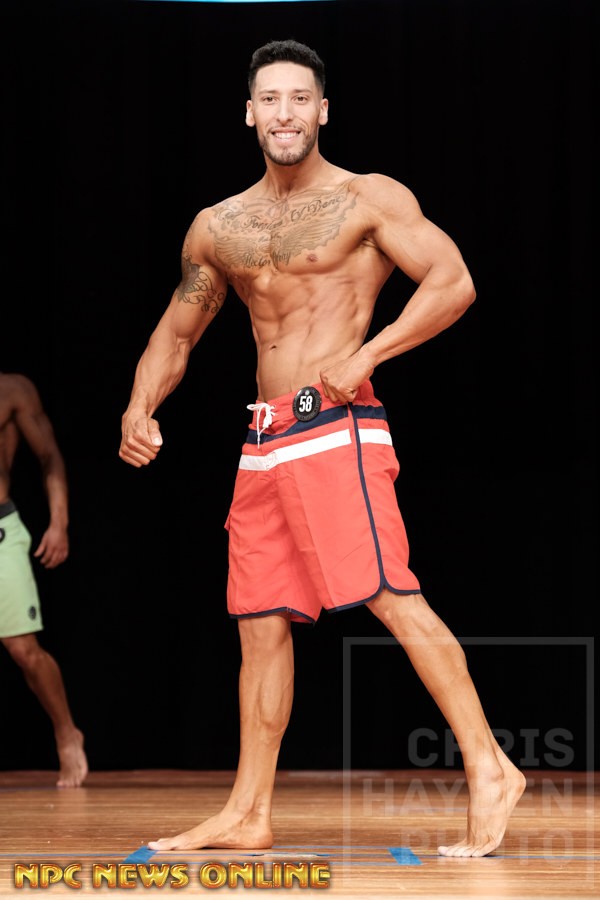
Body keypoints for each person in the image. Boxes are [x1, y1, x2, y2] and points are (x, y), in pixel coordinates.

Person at [119, 39, 525, 857]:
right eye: (271, 99)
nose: (285, 114)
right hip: (264, 440)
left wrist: (370, 354)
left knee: (389, 593)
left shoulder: (366, 198)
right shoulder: (219, 227)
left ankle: (491, 768)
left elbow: (454, 281)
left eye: (300, 99)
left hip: (336, 426)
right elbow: (178, 331)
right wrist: (140, 404)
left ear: (323, 110)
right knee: (259, 621)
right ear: (249, 113)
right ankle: (248, 811)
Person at [0, 371, 88, 787]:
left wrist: (59, 522)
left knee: (24, 650)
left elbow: (49, 455)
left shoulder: (11, 390)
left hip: (2, 531)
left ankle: (66, 733)